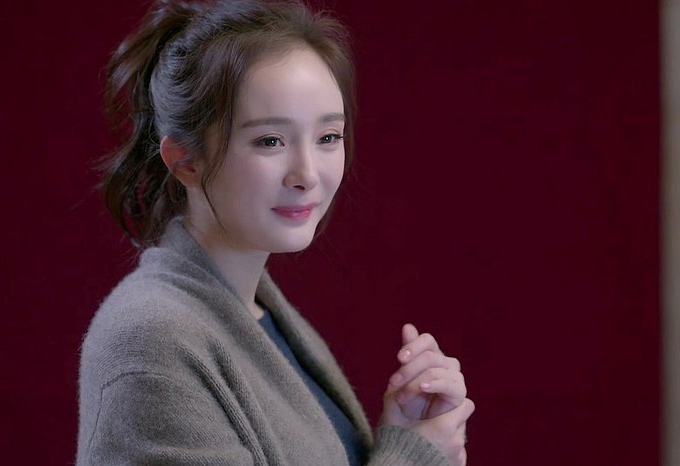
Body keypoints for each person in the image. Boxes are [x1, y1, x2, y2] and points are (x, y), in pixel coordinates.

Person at [75, 1, 474, 465]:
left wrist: (403, 431)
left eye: (328, 137)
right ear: (185, 161)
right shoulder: (151, 341)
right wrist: (414, 456)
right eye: (270, 141)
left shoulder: (258, 311)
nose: (307, 174)